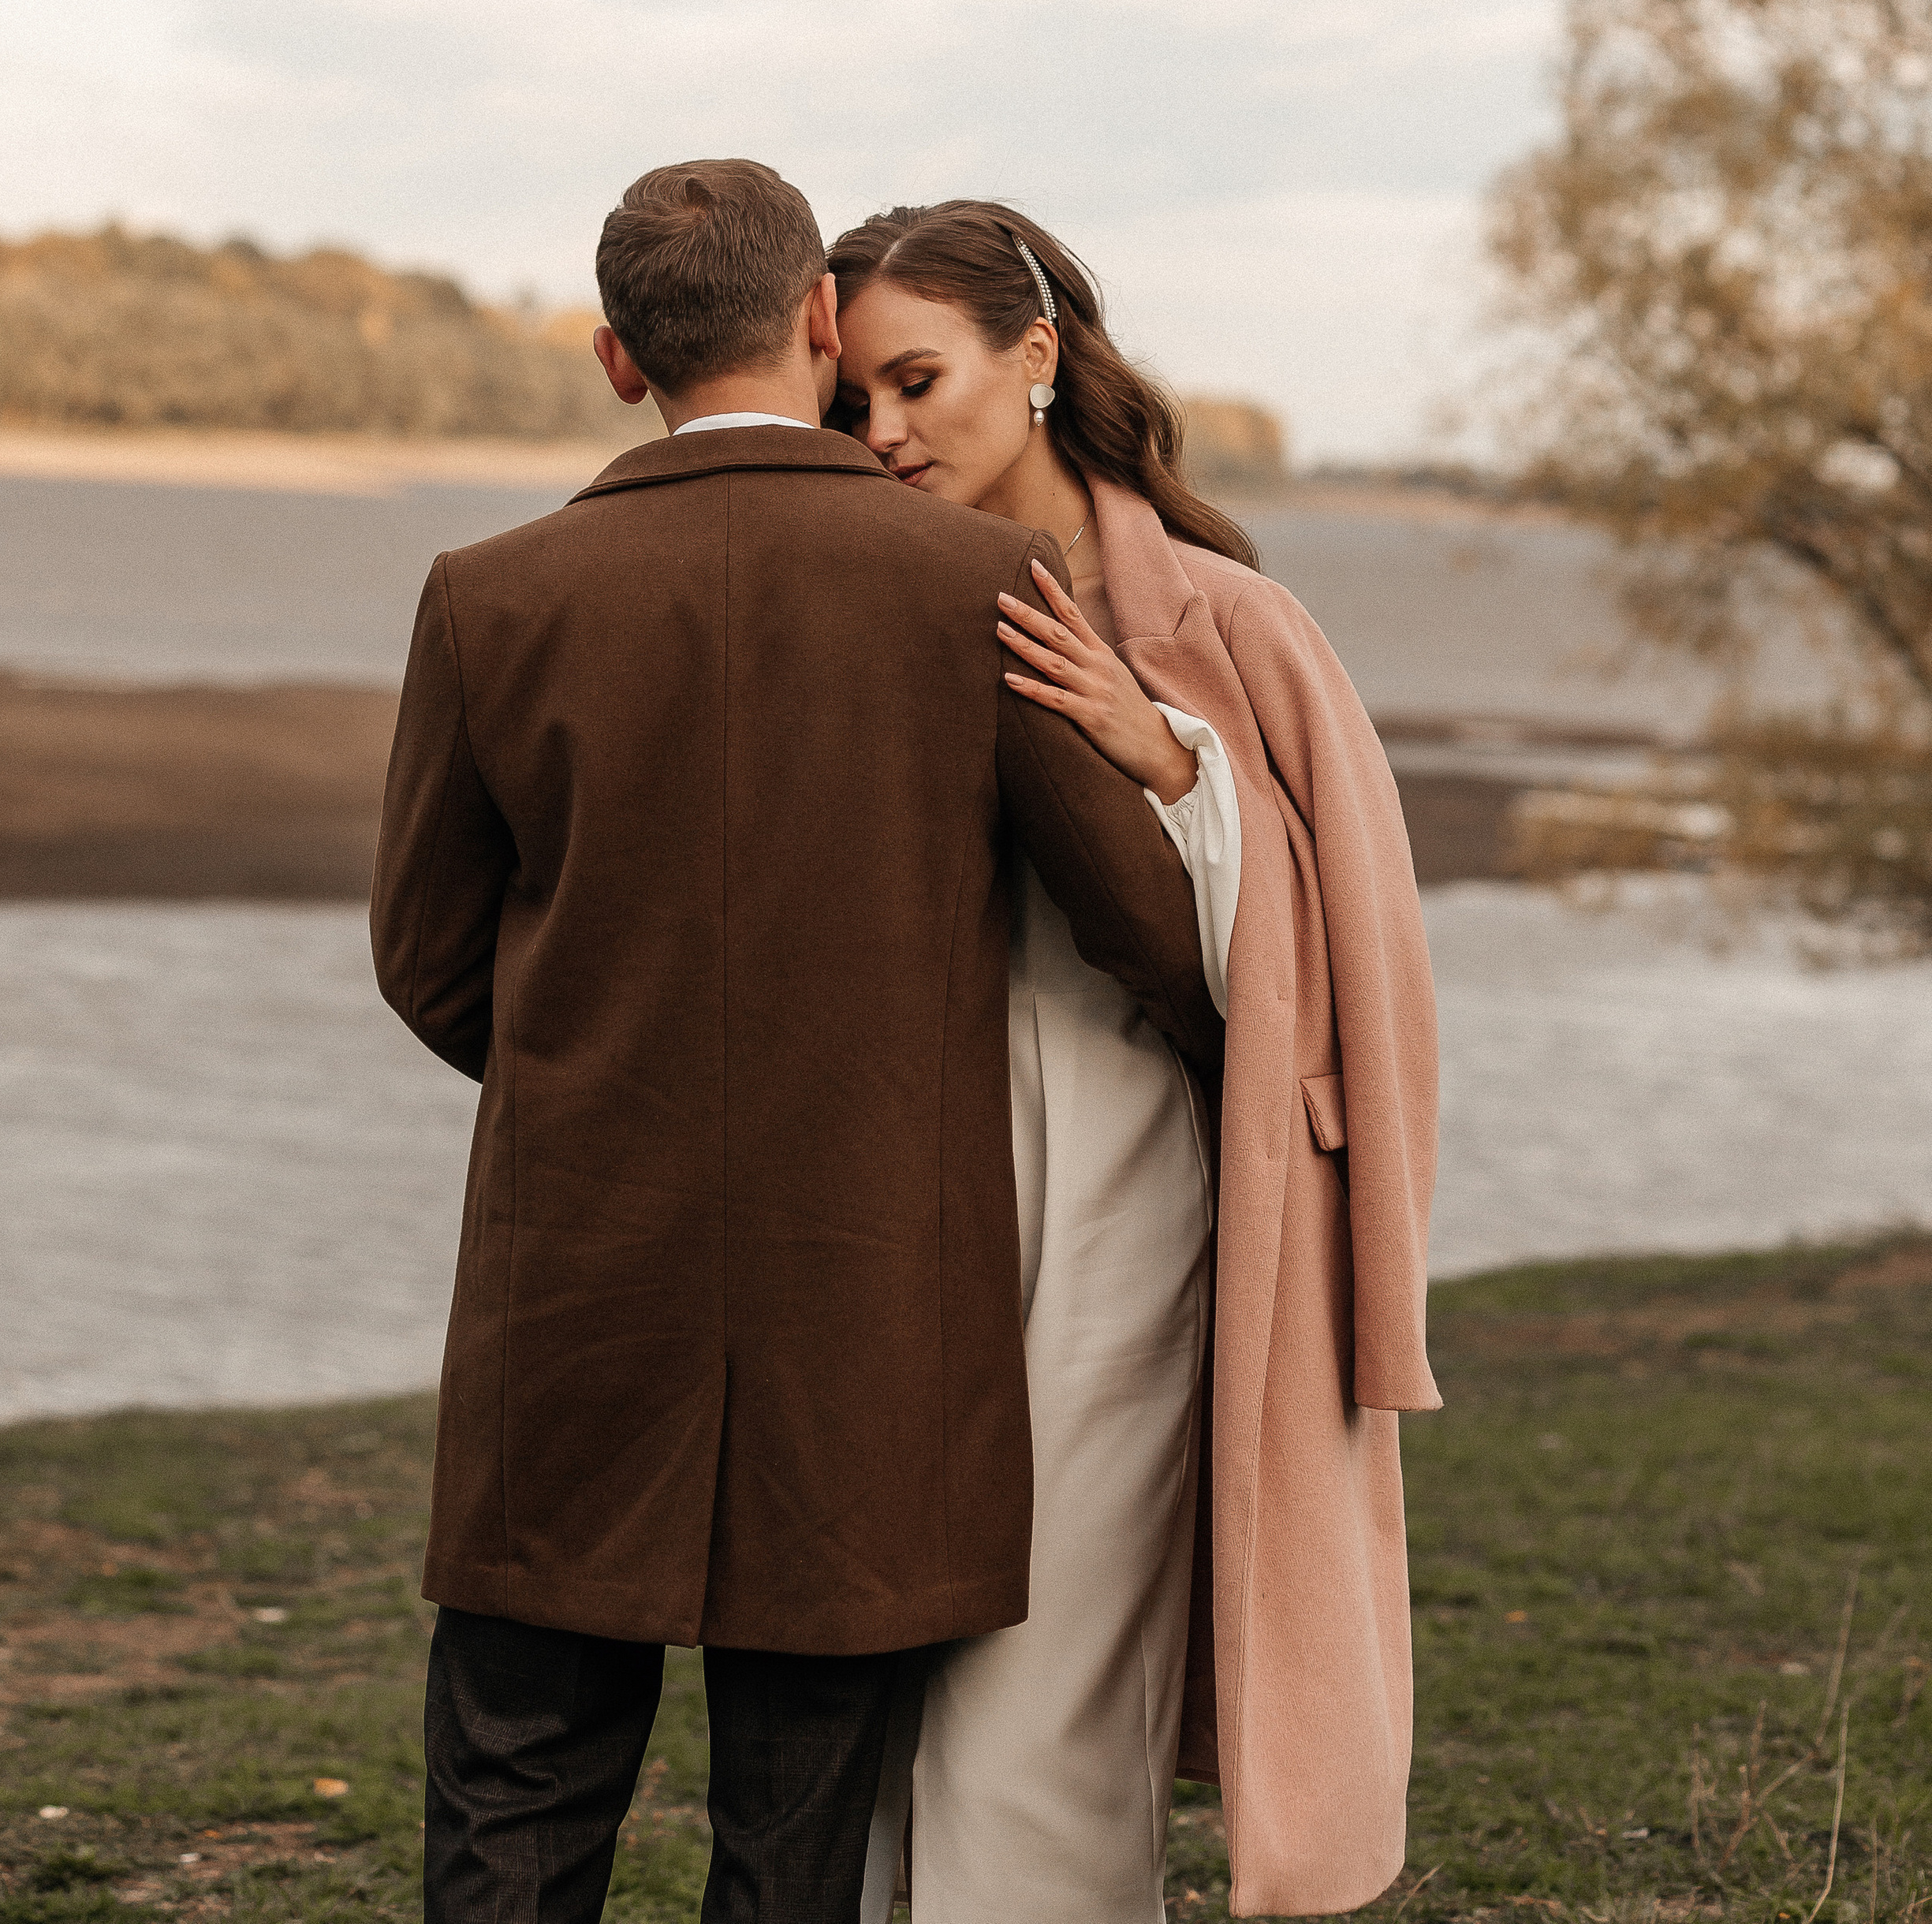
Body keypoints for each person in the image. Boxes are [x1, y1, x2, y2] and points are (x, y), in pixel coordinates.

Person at [369, 158, 1225, 1924]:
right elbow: (1152, 939)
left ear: (614, 359)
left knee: (514, 1813)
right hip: (868, 1328)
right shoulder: (973, 581)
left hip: (574, 1303)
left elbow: (427, 961)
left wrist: (598, 1090)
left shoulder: (485, 595)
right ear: (822, 326)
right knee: (794, 1849)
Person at [828, 201, 1442, 1924]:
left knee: (1052, 1687)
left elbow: (1358, 962)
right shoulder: (870, 608)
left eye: (916, 380)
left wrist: (1167, 768)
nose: (880, 434)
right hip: (905, 1200)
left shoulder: (1232, 624)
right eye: (850, 402)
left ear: (1033, 359)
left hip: (1133, 1203)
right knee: (884, 1679)